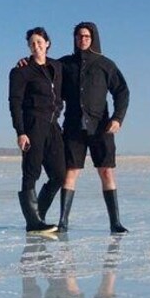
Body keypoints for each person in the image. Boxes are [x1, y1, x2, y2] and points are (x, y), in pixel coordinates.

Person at [57, 22, 130, 233]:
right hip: (73, 126)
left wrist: (117, 118)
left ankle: (115, 222)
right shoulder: (64, 64)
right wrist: (26, 62)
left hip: (101, 128)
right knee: (70, 172)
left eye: (87, 36)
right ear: (75, 39)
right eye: (79, 36)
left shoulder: (105, 65)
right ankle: (63, 222)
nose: (83, 40)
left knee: (106, 171)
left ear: (93, 38)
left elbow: (122, 92)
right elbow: (43, 69)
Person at [8, 27, 65, 234]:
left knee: (59, 174)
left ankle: (37, 214)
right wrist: (20, 131)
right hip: (33, 126)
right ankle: (33, 222)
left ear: (47, 44)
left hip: (52, 126)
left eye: (39, 42)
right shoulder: (21, 71)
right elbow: (15, 103)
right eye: (32, 43)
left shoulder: (57, 67)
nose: (36, 46)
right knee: (31, 172)